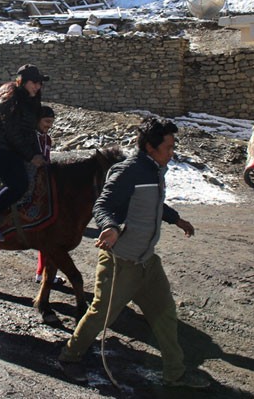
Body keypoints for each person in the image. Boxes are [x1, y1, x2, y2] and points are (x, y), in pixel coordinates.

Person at [57, 117, 211, 389]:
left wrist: (176, 219)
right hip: (121, 263)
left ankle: (174, 373)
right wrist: (111, 228)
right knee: (102, 315)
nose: (172, 152)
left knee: (165, 312)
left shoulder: (155, 169)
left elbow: (153, 205)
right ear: (151, 147)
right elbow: (103, 205)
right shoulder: (128, 171)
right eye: (169, 147)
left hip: (147, 262)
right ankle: (70, 356)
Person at [0, 105, 65, 286]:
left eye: (51, 122)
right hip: (25, 187)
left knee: (50, 229)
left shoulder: (47, 139)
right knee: (10, 232)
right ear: (37, 120)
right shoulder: (27, 137)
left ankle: (43, 273)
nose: (49, 125)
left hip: (41, 188)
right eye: (46, 121)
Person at [0, 64, 49, 242]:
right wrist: (31, 156)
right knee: (19, 184)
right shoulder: (10, 102)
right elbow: (13, 135)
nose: (38, 87)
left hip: (17, 149)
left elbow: (29, 131)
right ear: (22, 82)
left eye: (39, 83)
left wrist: (39, 153)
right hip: (1, 150)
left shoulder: (32, 99)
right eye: (34, 83)